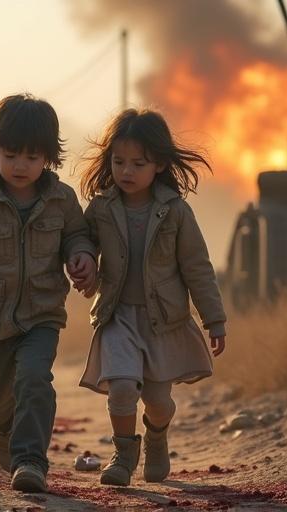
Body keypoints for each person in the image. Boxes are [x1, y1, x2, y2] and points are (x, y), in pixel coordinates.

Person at [0, 93, 96, 493]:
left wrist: (81, 257)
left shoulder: (61, 200)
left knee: (34, 379)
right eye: (11, 155)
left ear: (48, 157)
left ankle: (30, 461)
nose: (20, 165)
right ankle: (7, 426)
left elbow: (78, 236)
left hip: (42, 313)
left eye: (31, 156)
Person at [72, 108, 226, 487]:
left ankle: (156, 436)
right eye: (119, 161)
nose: (126, 171)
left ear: (158, 163)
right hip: (117, 316)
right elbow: (82, 241)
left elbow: (197, 267)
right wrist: (84, 260)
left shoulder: (175, 212)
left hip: (163, 321)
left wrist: (214, 318)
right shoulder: (102, 208)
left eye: (138, 163)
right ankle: (123, 456)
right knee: (122, 387)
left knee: (158, 401)